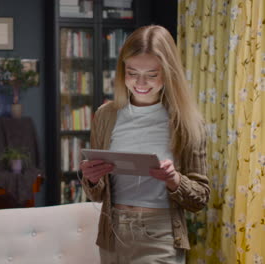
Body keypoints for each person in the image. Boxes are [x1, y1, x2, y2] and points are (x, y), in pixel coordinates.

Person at [80, 25, 210, 263]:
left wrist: (174, 180)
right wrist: (91, 178)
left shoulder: (187, 122)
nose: (140, 82)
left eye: (152, 74)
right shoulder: (106, 115)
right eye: (132, 72)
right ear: (122, 71)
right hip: (113, 233)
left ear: (169, 73)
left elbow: (200, 198)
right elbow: (97, 195)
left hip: (159, 235)